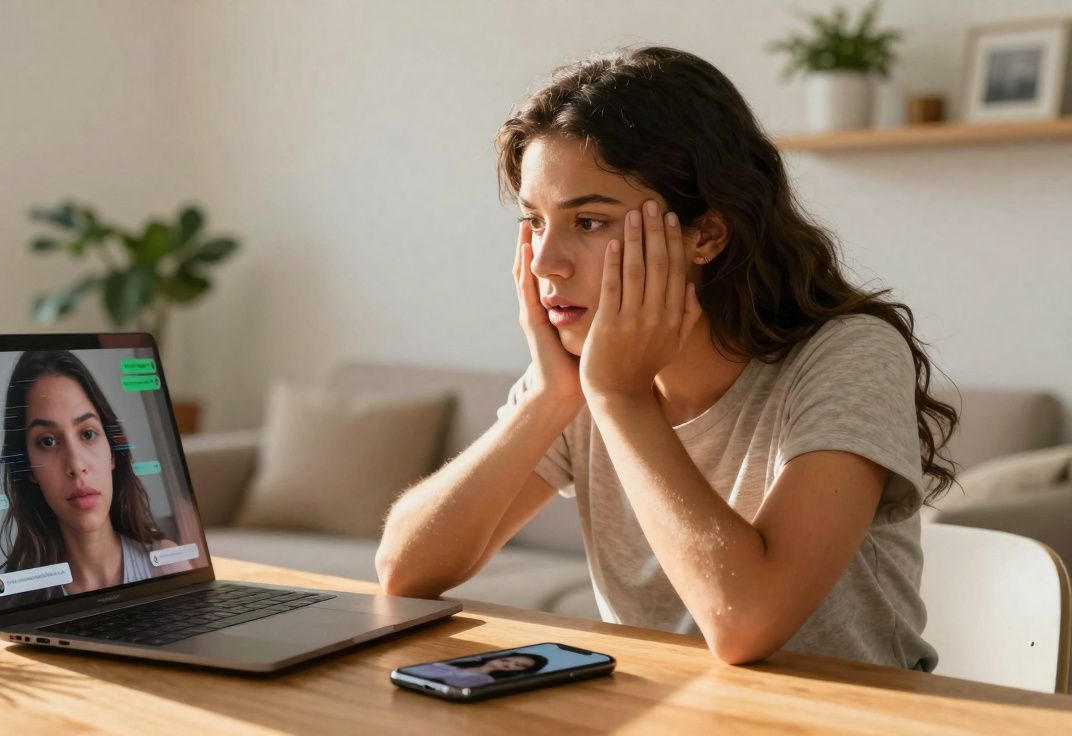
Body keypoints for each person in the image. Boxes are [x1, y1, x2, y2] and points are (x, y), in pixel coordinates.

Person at [376, 46, 958, 671]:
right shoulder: (585, 368)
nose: (545, 263)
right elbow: (405, 573)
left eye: (589, 222)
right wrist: (548, 398)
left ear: (705, 233)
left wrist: (619, 398)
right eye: (535, 222)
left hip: (845, 710)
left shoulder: (849, 355)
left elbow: (746, 625)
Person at [0, 350, 195, 610]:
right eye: (48, 441)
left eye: (87, 434)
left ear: (112, 453)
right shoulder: (16, 599)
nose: (76, 465)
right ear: (28, 467)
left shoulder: (167, 566)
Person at [405, 653, 549, 688]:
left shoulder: (485, 680)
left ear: (519, 672)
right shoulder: (464, 661)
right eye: (511, 659)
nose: (510, 663)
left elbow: (450, 682)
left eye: (519, 665)